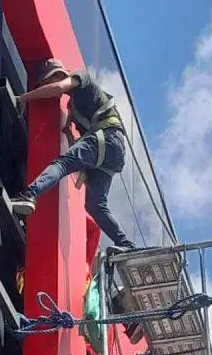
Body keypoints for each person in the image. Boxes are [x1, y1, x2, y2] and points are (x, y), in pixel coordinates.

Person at [11, 59, 137, 251]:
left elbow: (59, 87)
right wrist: (69, 132)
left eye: (47, 81)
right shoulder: (73, 108)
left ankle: (30, 194)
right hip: (110, 154)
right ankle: (126, 244)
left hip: (108, 137)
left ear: (57, 74)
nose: (47, 86)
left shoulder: (80, 77)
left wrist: (23, 98)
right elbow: (77, 146)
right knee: (95, 205)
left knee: (62, 164)